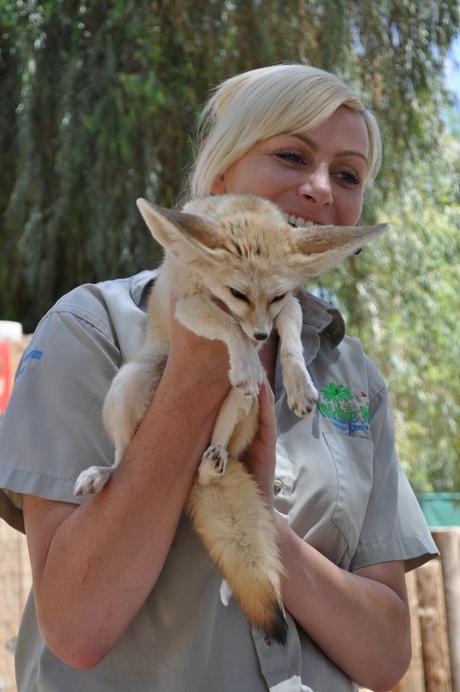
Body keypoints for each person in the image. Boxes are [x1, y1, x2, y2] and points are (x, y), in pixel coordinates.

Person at [0, 64, 437, 692]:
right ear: (221, 174)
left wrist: (259, 525)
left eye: (347, 174)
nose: (320, 188)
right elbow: (75, 628)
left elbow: (387, 656)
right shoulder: (92, 329)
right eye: (291, 155)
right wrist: (194, 380)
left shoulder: (350, 374)